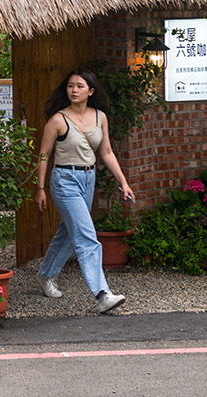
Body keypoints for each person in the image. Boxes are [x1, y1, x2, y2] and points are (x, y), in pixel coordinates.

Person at [32, 67, 134, 314]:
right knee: (87, 235)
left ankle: (45, 275)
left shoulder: (100, 117)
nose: (74, 90)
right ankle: (102, 295)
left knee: (69, 231)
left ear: (90, 91)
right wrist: (40, 188)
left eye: (79, 86)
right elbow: (44, 155)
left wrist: (123, 181)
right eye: (70, 86)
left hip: (88, 178)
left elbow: (106, 152)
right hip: (64, 180)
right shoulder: (57, 120)